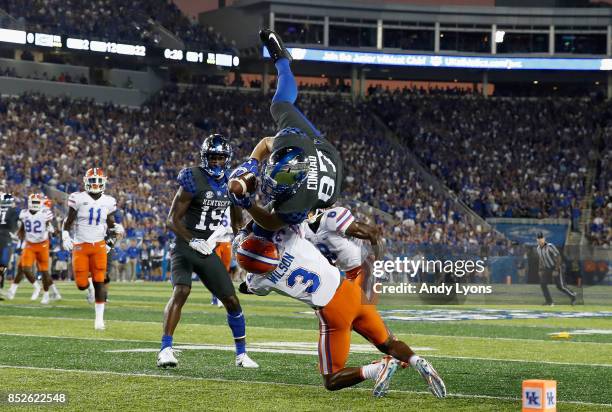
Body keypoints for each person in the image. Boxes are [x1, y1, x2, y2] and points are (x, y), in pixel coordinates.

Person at [158, 134, 258, 369]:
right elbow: (171, 220)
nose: (215, 162)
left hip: (208, 248)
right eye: (212, 157)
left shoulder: (232, 183)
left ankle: (241, 354)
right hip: (185, 245)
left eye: (220, 158)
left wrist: (242, 237)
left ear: (227, 159)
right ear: (205, 157)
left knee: (231, 300)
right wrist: (192, 241)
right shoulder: (193, 178)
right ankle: (165, 349)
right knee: (181, 290)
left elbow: (236, 223)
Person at [62, 168, 119, 330]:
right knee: (80, 283)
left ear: (103, 182)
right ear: (86, 181)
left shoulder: (108, 201)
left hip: (99, 245)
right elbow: (68, 222)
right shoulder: (78, 198)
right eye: (92, 181)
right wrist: (65, 236)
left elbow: (113, 226)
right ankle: (89, 289)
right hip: (80, 244)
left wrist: (110, 243)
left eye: (97, 181)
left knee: (100, 280)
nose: (95, 184)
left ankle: (99, 319)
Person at [16, 193, 61, 304]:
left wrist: (54, 230)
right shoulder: (34, 213)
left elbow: (52, 230)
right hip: (33, 244)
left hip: (41, 245)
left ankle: (49, 292)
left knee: (43, 271)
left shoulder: (44, 213)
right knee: (41, 271)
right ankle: (54, 292)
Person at [536, 232, 576, 306]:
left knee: (560, 286)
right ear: (537, 240)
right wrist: (540, 269)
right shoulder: (538, 248)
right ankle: (549, 301)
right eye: (538, 239)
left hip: (555, 266)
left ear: (544, 239)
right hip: (547, 268)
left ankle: (573, 296)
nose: (540, 241)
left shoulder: (550, 246)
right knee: (543, 284)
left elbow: (558, 257)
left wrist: (556, 269)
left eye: (541, 239)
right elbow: (541, 259)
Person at [0, 192, 20, 296]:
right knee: (2, 264)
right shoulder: (12, 210)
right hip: (5, 238)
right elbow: (15, 225)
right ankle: (0, 287)